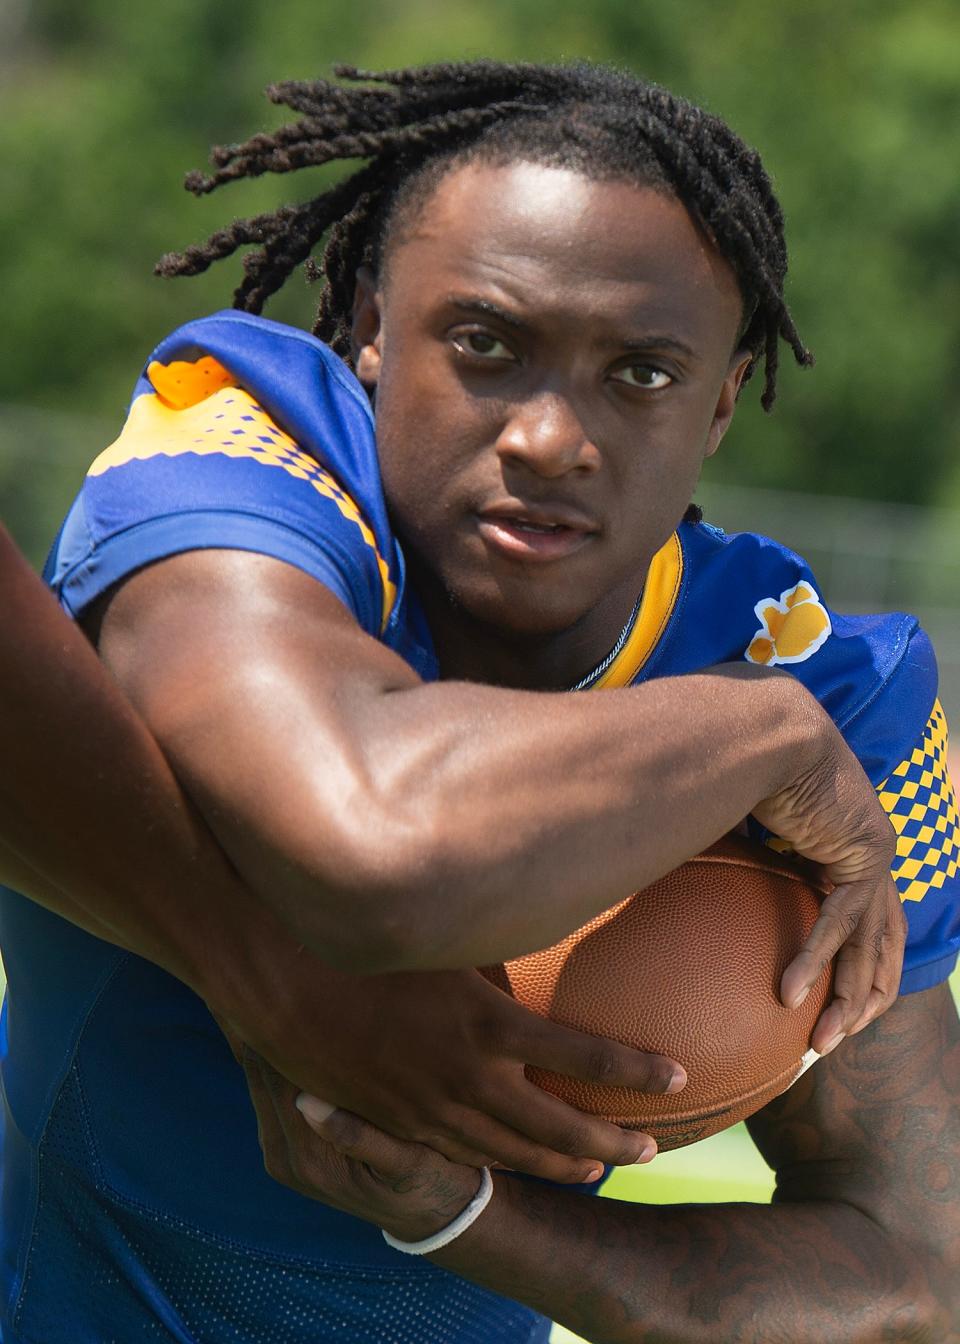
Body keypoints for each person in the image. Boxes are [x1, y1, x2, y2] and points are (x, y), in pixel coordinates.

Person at [1, 59, 957, 1342]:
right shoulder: (246, 463)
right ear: (370, 326)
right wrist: (753, 732)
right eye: (488, 345)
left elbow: (920, 1277)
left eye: (645, 375)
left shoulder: (834, 683)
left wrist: (466, 1214)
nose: (552, 438)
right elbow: (377, 853)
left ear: (725, 401)